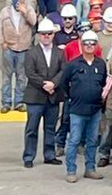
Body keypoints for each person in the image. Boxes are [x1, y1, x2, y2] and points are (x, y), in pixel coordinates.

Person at [58, 30, 111, 183]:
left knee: (92, 140)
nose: (89, 46)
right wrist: (74, 97)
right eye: (86, 43)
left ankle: (90, 169)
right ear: (81, 45)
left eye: (92, 43)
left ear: (96, 46)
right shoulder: (73, 64)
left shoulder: (100, 64)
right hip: (77, 110)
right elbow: (64, 84)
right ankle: (71, 170)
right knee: (74, 140)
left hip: (94, 110)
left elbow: (101, 84)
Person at [23, 17, 66, 168]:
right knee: (31, 129)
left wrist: (54, 83)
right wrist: (44, 84)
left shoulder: (60, 53)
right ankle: (29, 156)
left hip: (52, 97)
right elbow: (30, 72)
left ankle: (49, 155)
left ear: (53, 34)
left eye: (49, 33)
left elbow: (63, 70)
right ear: (39, 35)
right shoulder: (31, 53)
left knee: (50, 127)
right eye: (43, 34)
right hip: (35, 97)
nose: (46, 36)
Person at [0, 0, 35, 112]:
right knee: (6, 77)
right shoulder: (5, 12)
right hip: (9, 48)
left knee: (21, 77)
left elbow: (34, 22)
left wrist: (25, 12)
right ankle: (6, 102)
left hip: (23, 49)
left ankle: (19, 101)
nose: (19, 1)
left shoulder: (29, 9)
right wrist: (1, 42)